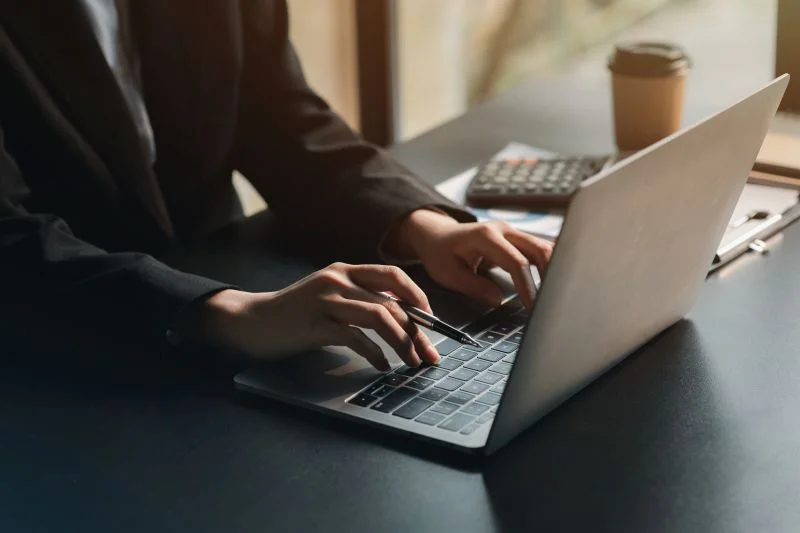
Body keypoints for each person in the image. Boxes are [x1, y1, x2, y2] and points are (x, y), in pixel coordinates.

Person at [0, 0, 551, 370]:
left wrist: (422, 226)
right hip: (55, 362)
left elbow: (277, 117)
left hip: (219, 287)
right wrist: (228, 312)